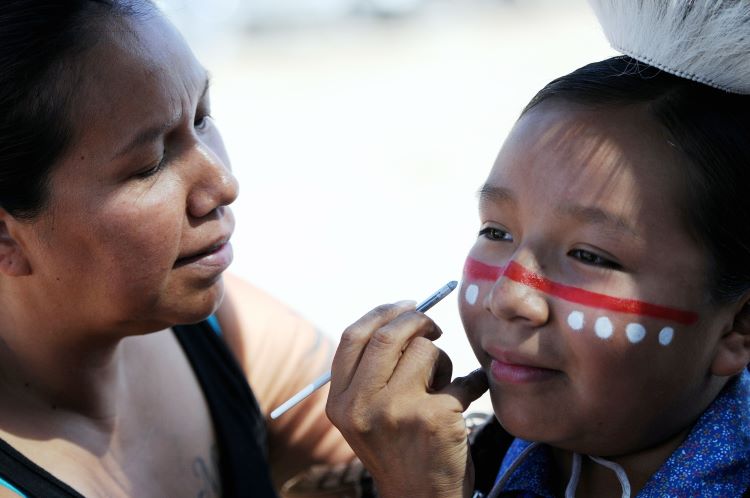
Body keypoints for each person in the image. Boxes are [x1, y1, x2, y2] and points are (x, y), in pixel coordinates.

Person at [325, 2, 750, 496]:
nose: (507, 297)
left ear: (737, 329)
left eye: (589, 255)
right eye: (496, 232)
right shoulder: (474, 457)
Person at [0, 1, 356, 496]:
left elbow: (365, 434)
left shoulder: (219, 327)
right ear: (5, 235)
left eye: (202, 117)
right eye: (150, 164)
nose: (222, 184)